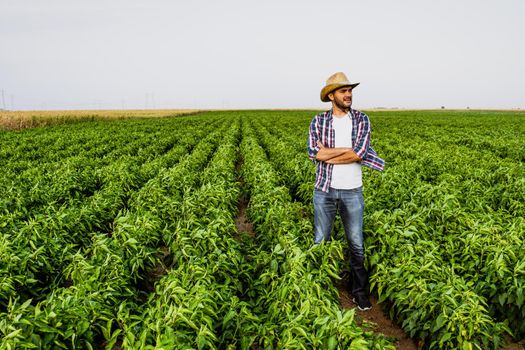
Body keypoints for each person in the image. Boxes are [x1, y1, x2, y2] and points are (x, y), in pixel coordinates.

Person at [307, 72, 385, 311]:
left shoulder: (362, 120)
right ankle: (320, 289)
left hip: (352, 191)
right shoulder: (318, 121)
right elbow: (314, 153)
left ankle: (359, 292)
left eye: (350, 90)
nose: (348, 94)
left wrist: (329, 152)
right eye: (343, 91)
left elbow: (358, 154)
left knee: (356, 243)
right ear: (331, 96)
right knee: (321, 241)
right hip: (324, 190)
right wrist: (343, 152)